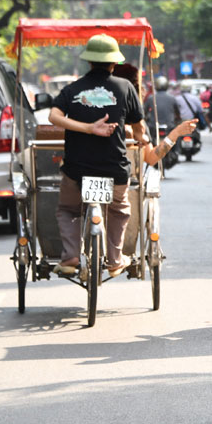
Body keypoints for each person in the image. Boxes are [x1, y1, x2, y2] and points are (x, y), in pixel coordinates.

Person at [48, 34, 146, 278]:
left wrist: (86, 127)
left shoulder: (73, 89)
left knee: (69, 210)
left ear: (89, 62)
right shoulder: (125, 87)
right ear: (114, 63)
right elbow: (139, 127)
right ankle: (115, 259)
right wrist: (140, 139)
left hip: (77, 170)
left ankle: (70, 255)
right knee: (118, 209)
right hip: (114, 169)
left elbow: (53, 116)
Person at [144, 76, 183, 142]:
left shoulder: (151, 98)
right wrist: (178, 119)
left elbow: (144, 112)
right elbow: (178, 112)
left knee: (148, 139)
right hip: (169, 126)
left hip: (153, 126)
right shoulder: (172, 98)